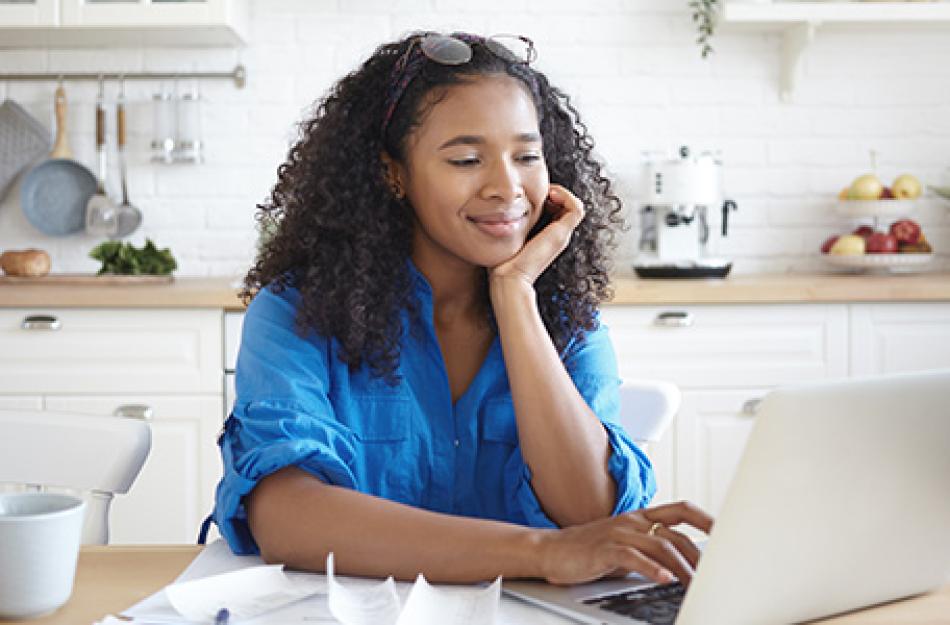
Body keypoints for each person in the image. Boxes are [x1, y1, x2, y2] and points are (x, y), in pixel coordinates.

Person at [208, 31, 713, 587]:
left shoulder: (568, 322)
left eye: (526, 155)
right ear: (393, 173)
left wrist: (516, 296)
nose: (507, 187)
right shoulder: (295, 314)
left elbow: (591, 515)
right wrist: (542, 553)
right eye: (467, 159)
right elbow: (288, 518)